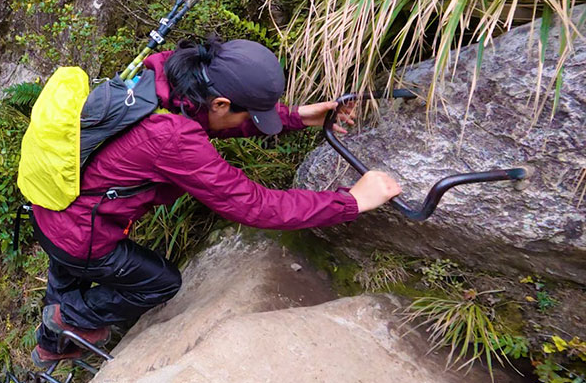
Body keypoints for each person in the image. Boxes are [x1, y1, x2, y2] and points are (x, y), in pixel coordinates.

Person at [30, 38, 402, 365]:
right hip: (83, 236)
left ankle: (50, 346)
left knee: (65, 277)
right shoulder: (172, 138)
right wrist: (352, 201)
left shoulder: (164, 76)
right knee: (159, 283)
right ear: (221, 102)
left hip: (52, 204)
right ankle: (68, 320)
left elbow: (212, 119)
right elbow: (254, 206)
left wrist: (294, 117)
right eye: (253, 112)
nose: (256, 119)